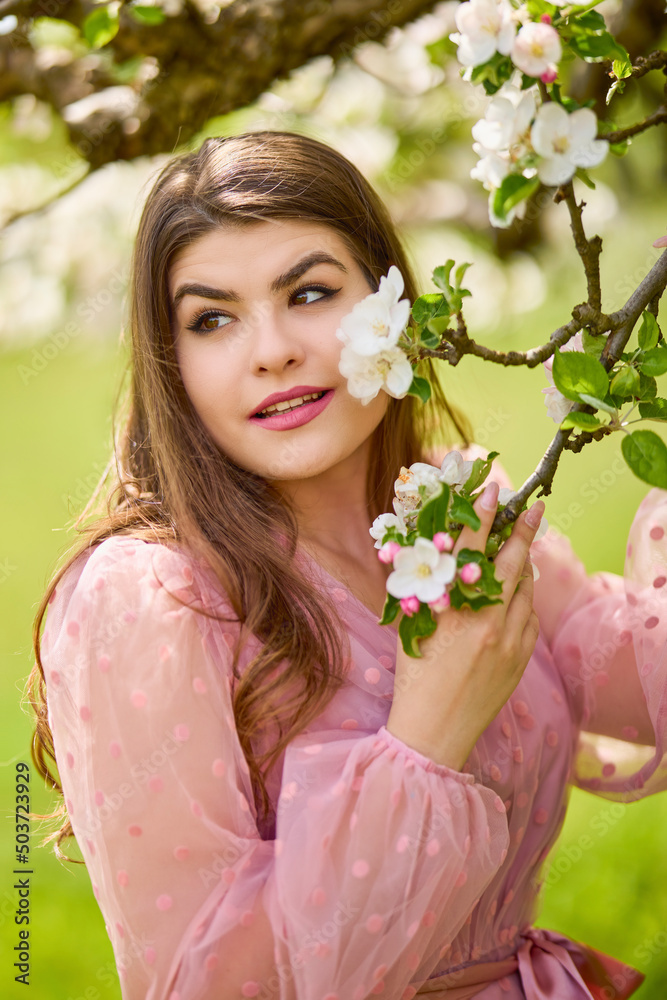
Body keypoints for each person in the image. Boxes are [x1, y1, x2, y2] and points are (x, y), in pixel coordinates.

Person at [28, 131, 666, 1000]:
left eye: (310, 293)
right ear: (171, 364)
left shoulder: (457, 513)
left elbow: (640, 673)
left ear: (391, 307)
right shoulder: (152, 600)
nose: (271, 350)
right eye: (211, 318)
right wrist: (425, 736)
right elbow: (207, 985)